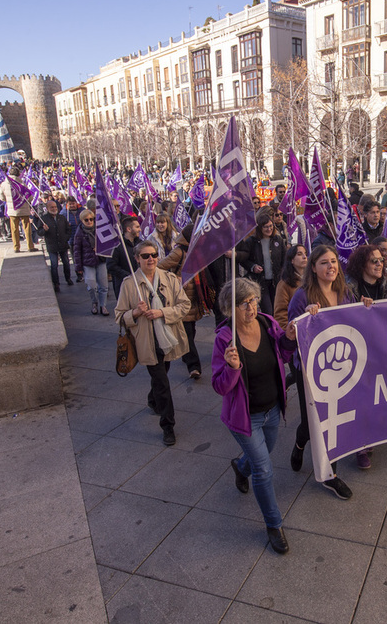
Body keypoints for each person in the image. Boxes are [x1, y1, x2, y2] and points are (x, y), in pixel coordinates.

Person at [212, 278, 298, 555]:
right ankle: (274, 525)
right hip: (245, 418)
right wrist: (232, 367)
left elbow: (283, 355)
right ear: (230, 308)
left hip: (273, 409)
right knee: (264, 469)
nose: (251, 307)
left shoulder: (267, 322)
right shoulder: (224, 339)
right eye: (244, 303)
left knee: (265, 452)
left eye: (254, 300)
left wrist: (289, 339)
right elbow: (220, 386)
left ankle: (240, 467)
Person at [285, 245, 356, 499]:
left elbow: (356, 322)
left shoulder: (345, 292)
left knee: (331, 422)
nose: (331, 267)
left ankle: (330, 476)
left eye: (334, 261)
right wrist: (302, 320)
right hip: (310, 371)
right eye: (324, 262)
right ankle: (299, 442)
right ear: (313, 268)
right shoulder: (302, 297)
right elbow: (291, 335)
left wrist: (366, 306)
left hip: (341, 367)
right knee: (309, 422)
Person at [115, 240, 190, 446]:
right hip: (146, 342)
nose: (151, 259)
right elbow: (119, 316)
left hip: (167, 338)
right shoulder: (129, 284)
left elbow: (184, 305)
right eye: (146, 256)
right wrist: (136, 312)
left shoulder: (170, 278)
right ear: (137, 259)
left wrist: (161, 313)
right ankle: (168, 426)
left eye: (154, 255)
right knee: (163, 384)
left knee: (161, 377)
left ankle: (151, 399)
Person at [344, 243, 387, 470]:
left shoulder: (386, 286)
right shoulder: (349, 288)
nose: (380, 264)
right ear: (362, 265)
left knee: (377, 399)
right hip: (358, 354)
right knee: (361, 401)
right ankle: (362, 447)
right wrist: (358, 310)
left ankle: (370, 440)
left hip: (381, 351)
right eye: (374, 261)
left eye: (381, 260)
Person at [160, 224, 215, 380]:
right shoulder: (179, 252)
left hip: (195, 298)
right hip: (181, 299)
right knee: (187, 335)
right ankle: (194, 367)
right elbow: (159, 267)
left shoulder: (196, 251)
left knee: (191, 329)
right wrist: (173, 279)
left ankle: (185, 354)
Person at [237, 210, 287, 315]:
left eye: (270, 226)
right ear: (260, 228)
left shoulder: (278, 240)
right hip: (260, 282)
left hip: (276, 282)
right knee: (268, 311)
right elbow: (244, 259)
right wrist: (253, 266)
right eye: (266, 227)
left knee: (277, 310)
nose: (269, 229)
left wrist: (283, 275)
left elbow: (284, 259)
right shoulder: (251, 241)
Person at [73, 209, 110, 315]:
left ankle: (103, 305)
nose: (89, 221)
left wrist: (100, 249)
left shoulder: (99, 230)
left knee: (103, 285)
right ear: (82, 221)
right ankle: (94, 302)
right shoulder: (79, 233)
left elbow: (107, 243)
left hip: (100, 260)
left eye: (91, 219)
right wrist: (78, 267)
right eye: (86, 220)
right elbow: (76, 251)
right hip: (87, 262)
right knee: (91, 284)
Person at [0, 167, 37, 253]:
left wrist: (8, 200)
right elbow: (29, 197)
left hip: (12, 210)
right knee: (27, 228)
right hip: (23, 209)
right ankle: (30, 246)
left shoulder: (4, 184)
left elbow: (1, 197)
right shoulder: (22, 183)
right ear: (18, 174)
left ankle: (16, 247)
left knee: (14, 229)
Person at [39, 199, 73, 292]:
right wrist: (44, 230)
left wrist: (66, 238)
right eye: (52, 207)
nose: (54, 209)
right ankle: (56, 283)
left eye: (55, 207)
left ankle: (68, 278)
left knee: (66, 262)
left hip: (63, 244)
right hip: (52, 245)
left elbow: (68, 229)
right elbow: (39, 232)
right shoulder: (44, 219)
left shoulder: (61, 217)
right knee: (54, 265)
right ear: (47, 208)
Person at [108, 216, 142, 300]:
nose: (140, 229)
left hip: (140, 283)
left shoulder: (140, 244)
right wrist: (129, 276)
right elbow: (111, 266)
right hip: (123, 285)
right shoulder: (117, 246)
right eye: (137, 227)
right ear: (129, 229)